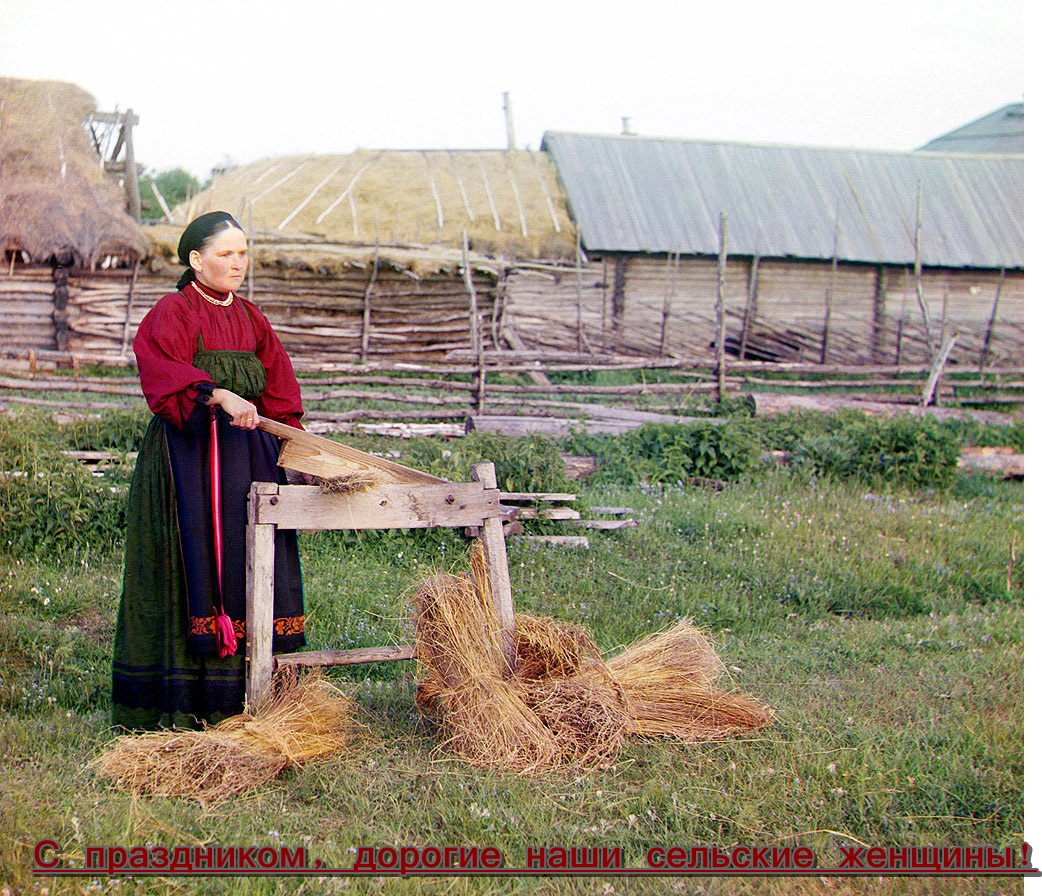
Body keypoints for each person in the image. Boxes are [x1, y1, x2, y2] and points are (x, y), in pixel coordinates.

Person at [111, 211, 307, 729]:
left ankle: (256, 696)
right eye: (226, 253)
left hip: (249, 461)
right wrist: (217, 393)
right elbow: (162, 375)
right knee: (194, 560)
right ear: (196, 259)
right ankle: (187, 702)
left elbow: (280, 389)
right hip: (190, 464)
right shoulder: (172, 312)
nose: (237, 263)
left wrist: (297, 444)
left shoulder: (251, 319)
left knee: (252, 558)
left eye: (243, 253)